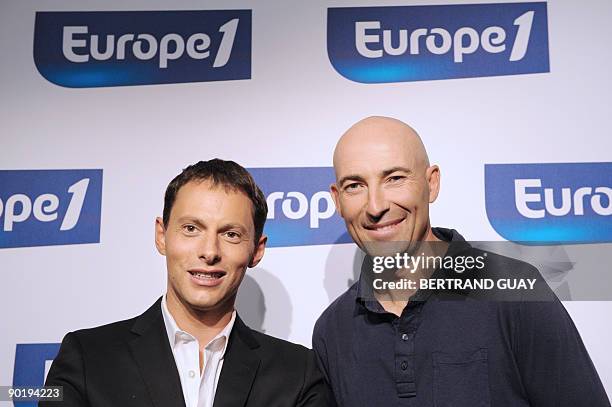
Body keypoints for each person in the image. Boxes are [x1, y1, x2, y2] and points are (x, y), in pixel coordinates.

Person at [312, 116, 610, 406]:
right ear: (337, 200)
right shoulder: (331, 330)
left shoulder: (515, 293)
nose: (375, 206)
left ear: (432, 183)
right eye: (355, 185)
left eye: (395, 178)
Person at [43, 159, 333, 407]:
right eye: (191, 229)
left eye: (230, 234)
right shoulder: (88, 358)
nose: (209, 251)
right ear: (162, 235)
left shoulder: (298, 374)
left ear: (256, 250)